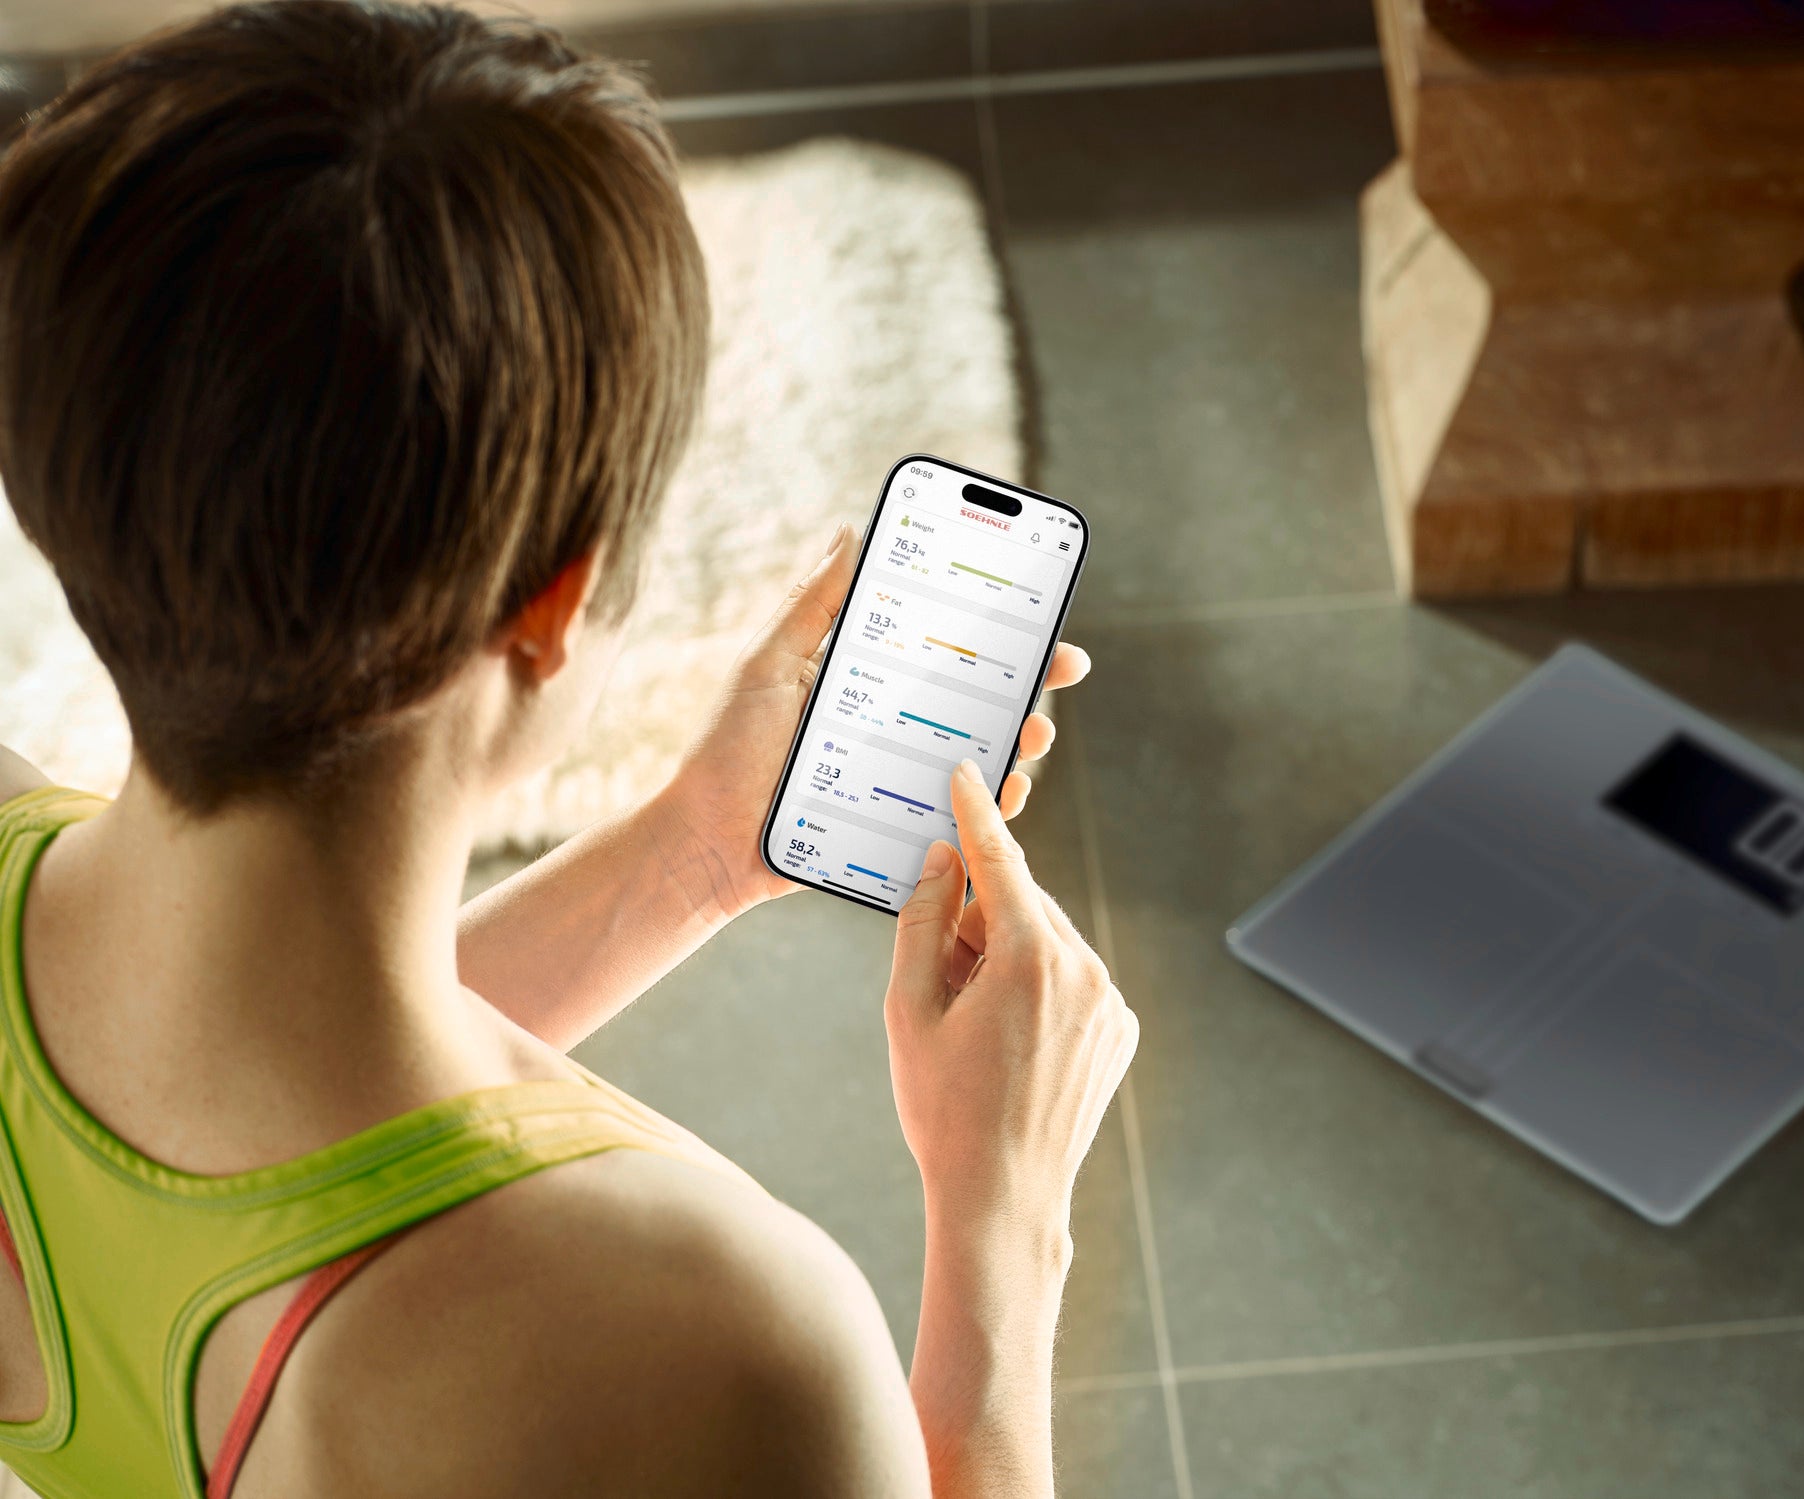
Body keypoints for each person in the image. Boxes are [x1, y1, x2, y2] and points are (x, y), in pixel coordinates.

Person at [0, 2, 1138, 1496]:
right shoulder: (711, 1350)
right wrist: (1007, 1227)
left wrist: (688, 854)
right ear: (557, 602)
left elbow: (252, 1144)